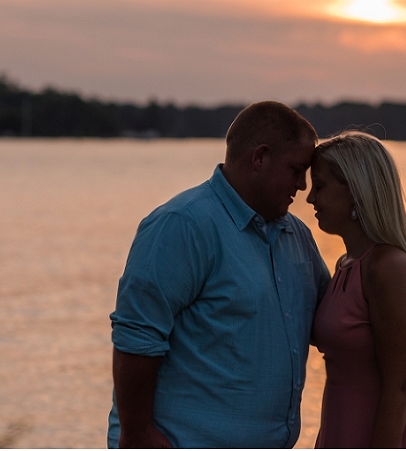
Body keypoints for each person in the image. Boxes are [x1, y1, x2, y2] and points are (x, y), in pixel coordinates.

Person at [107, 101, 331, 448]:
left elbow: (334, 324)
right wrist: (138, 436)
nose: (303, 186)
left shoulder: (296, 236)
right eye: (296, 169)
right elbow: (137, 338)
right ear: (260, 158)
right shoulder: (182, 225)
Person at [306, 130, 406, 448]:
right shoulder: (347, 264)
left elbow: (400, 386)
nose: (310, 198)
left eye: (320, 186)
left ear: (356, 191)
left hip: (386, 434)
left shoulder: (388, 268)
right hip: (344, 425)